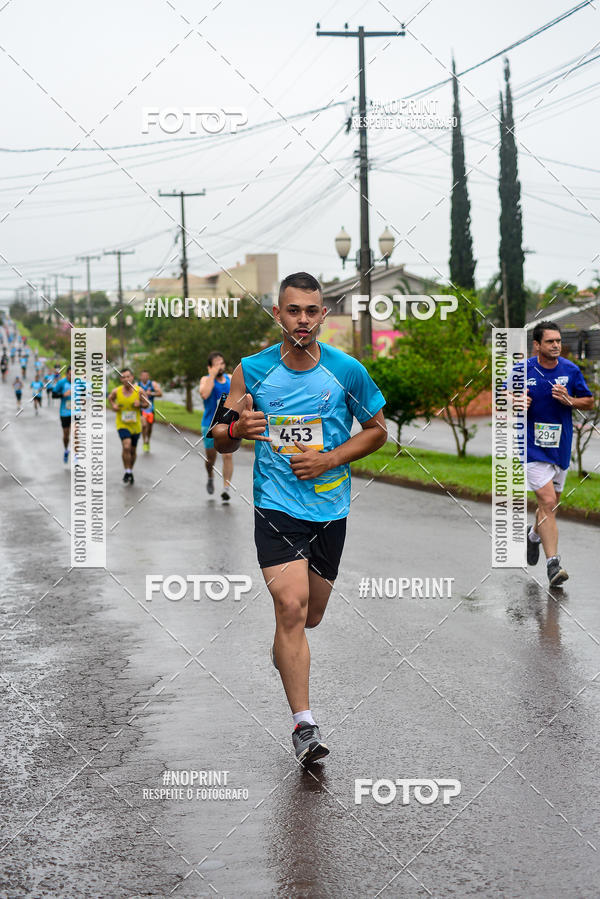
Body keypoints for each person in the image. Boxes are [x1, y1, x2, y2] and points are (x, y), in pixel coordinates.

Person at [212, 272, 387, 763]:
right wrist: (237, 428)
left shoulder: (347, 370)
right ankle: (304, 726)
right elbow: (217, 436)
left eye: (311, 311)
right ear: (278, 314)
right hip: (275, 505)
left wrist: (330, 459)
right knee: (290, 607)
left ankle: (284, 654)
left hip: (330, 508)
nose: (303, 320)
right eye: (293, 311)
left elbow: (377, 432)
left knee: (311, 614)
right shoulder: (252, 370)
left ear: (323, 316)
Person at [518, 321, 593, 585]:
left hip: (560, 446)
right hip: (531, 447)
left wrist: (570, 400)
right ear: (536, 344)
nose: (556, 345)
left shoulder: (570, 371)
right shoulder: (522, 369)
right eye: (550, 341)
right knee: (548, 502)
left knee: (552, 505)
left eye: (558, 341)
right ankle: (553, 566)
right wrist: (515, 401)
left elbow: (590, 400)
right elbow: (502, 395)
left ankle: (533, 536)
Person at [199, 352, 234, 502]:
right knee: (211, 459)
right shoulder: (206, 380)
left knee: (228, 454)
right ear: (210, 367)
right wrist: (211, 376)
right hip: (209, 424)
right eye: (216, 363)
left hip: (227, 423)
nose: (220, 366)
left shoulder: (230, 379)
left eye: (222, 362)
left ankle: (226, 487)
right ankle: (210, 475)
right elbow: (204, 395)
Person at [108, 368, 148, 485]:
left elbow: (147, 404)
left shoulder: (139, 391)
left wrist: (140, 404)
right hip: (122, 424)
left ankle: (129, 470)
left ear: (132, 377)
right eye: (123, 377)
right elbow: (110, 399)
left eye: (128, 376)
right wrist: (114, 406)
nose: (126, 379)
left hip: (135, 425)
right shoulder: (117, 391)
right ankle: (127, 470)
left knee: (133, 450)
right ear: (121, 379)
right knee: (126, 446)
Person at [137, 369, 162, 453]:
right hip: (141, 409)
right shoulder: (137, 385)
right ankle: (144, 441)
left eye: (146, 375)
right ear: (140, 377)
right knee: (144, 425)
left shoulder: (153, 384)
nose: (144, 377)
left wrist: (151, 393)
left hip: (150, 409)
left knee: (150, 428)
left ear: (148, 376)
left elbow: (160, 393)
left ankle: (148, 440)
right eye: (143, 375)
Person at [53, 367, 73, 463]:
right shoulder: (62, 383)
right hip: (64, 412)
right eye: (70, 375)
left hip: (76, 412)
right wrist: (63, 395)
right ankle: (66, 450)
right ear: (67, 374)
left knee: (77, 434)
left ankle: (76, 458)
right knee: (66, 435)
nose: (72, 376)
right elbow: (53, 395)